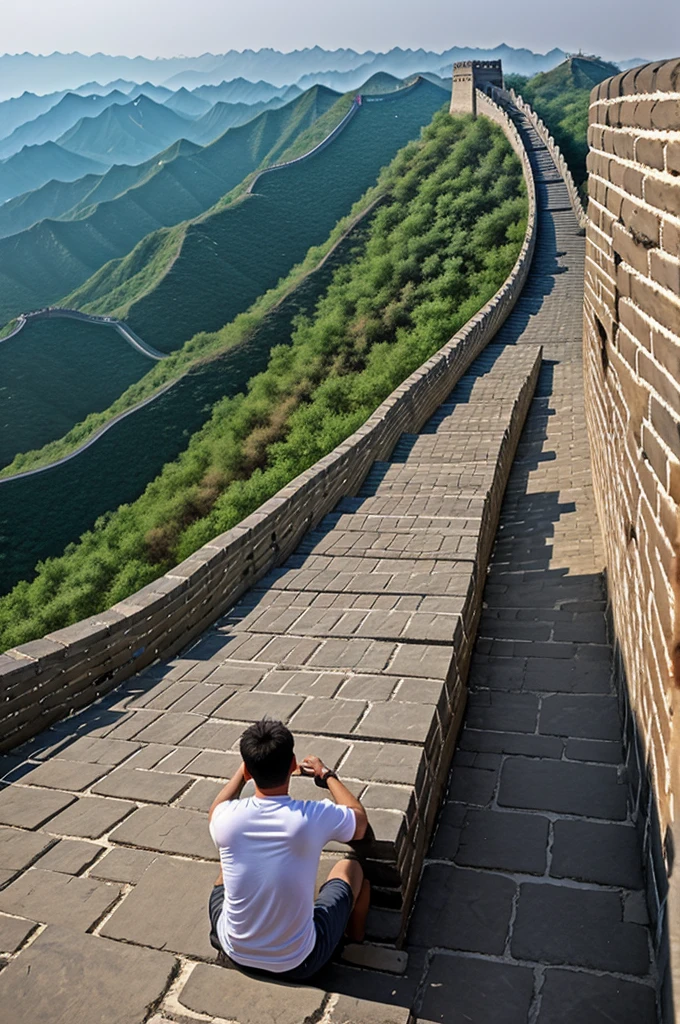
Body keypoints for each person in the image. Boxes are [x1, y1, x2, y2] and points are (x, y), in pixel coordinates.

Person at [207, 718, 371, 980]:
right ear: (293, 764)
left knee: (228, 865)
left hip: (235, 949)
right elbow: (359, 823)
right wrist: (327, 776)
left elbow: (216, 808)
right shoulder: (311, 816)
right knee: (350, 868)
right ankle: (355, 939)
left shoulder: (225, 818)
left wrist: (244, 772)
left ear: (248, 771)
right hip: (297, 962)